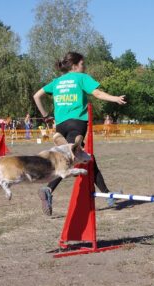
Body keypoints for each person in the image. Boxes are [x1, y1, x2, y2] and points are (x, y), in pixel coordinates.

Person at [33, 51, 126, 216]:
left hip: (61, 125)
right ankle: (48, 189)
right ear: (75, 65)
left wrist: (46, 116)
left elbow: (37, 96)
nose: (85, 66)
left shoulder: (57, 82)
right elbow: (97, 93)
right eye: (83, 64)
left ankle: (107, 194)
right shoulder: (82, 78)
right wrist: (115, 98)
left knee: (88, 158)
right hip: (77, 123)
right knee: (69, 159)